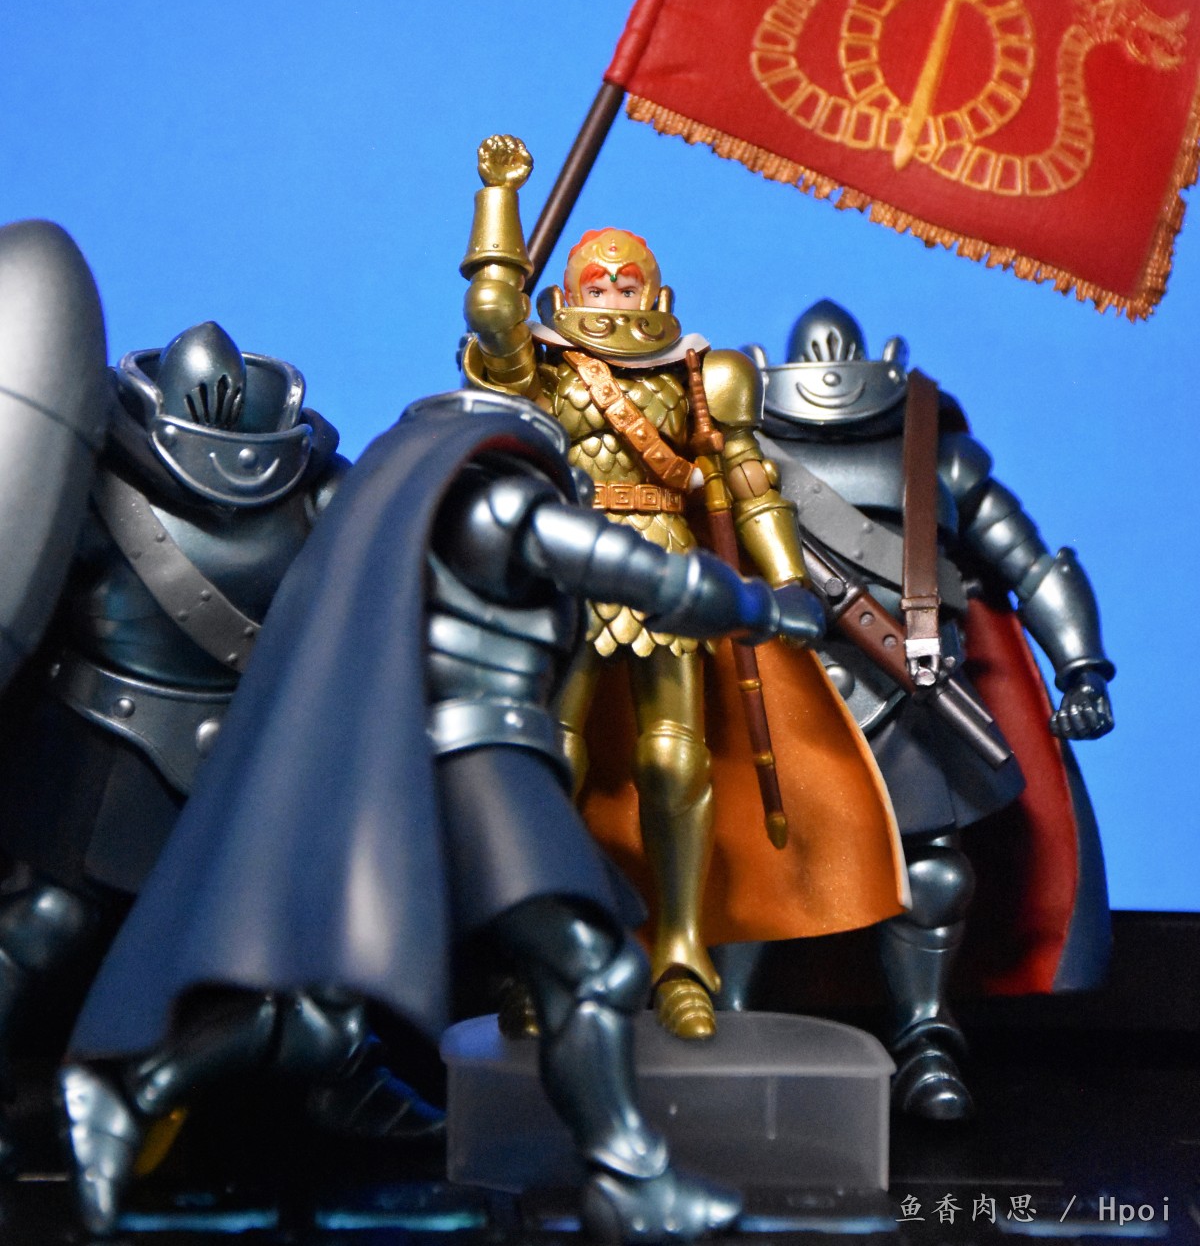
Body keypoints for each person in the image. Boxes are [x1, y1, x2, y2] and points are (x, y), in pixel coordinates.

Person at [61, 386, 823, 1239]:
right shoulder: (497, 503)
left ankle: (132, 1084)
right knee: (588, 965)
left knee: (323, 1012)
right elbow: (651, 577)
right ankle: (628, 1182)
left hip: (390, 763)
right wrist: (769, 609)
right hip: (478, 757)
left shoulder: (385, 505)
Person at [460, 136, 908, 1041]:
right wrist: (500, 199)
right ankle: (545, 955)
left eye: (628, 285)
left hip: (668, 570)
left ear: (658, 298)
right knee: (548, 761)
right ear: (567, 296)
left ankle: (682, 952)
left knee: (676, 762)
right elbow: (493, 312)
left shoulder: (705, 373)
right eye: (596, 285)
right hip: (565, 570)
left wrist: (789, 585)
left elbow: (748, 483)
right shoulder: (542, 366)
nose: (612, 297)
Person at [0, 220, 415, 1162]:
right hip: (106, 742)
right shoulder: (99, 476)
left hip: (253, 758)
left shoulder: (315, 489)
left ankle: (335, 1082)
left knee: (313, 936)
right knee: (48, 921)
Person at [750, 299, 1114, 1119]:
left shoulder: (939, 456)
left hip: (912, 692)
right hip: (780, 686)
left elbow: (1030, 564)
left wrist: (1082, 669)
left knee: (932, 875)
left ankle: (924, 1033)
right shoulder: (738, 453)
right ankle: (729, 1032)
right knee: (756, 861)